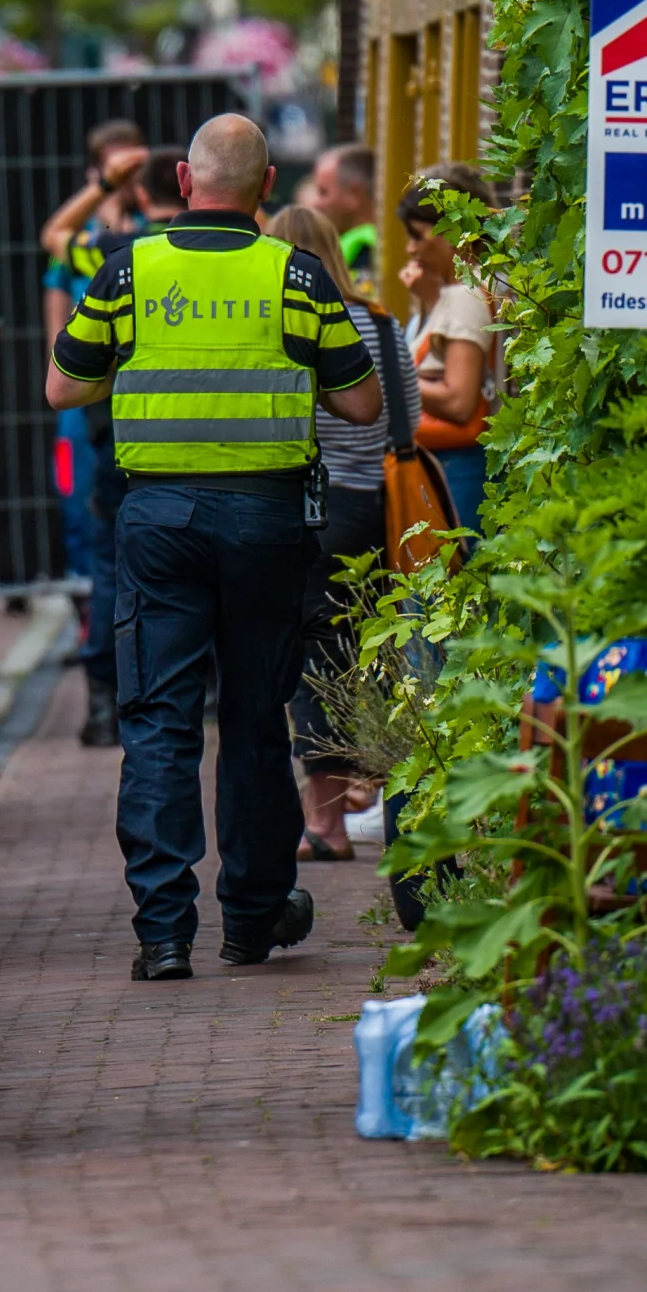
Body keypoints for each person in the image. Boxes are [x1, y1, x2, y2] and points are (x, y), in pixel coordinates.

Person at [47, 113, 382, 981]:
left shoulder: (129, 271)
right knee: (253, 718)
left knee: (158, 720)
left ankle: (163, 933)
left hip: (157, 520)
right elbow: (361, 406)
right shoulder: (298, 274)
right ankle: (254, 914)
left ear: (185, 184)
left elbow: (61, 384)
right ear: (268, 187)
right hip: (267, 521)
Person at [264, 200, 410, 861]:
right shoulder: (383, 324)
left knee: (315, 665)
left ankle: (322, 822)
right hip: (377, 509)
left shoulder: (287, 324)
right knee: (368, 655)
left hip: (312, 508)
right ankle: (372, 788)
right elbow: (404, 417)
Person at [41, 119, 153, 747]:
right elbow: (54, 257)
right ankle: (104, 692)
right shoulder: (96, 243)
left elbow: (51, 235)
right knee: (97, 541)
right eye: (116, 171)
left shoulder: (142, 239)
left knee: (119, 552)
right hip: (93, 410)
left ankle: (110, 692)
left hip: (118, 411)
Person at [399, 161, 498, 535]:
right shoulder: (466, 291)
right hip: (449, 470)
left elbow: (458, 400)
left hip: (453, 472)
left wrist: (392, 375)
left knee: (438, 586)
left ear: (450, 233)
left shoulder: (465, 296)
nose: (410, 249)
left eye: (417, 235)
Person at [308, 141, 384, 290]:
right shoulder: (384, 243)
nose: (316, 203)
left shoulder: (362, 252)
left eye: (323, 192)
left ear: (354, 194)